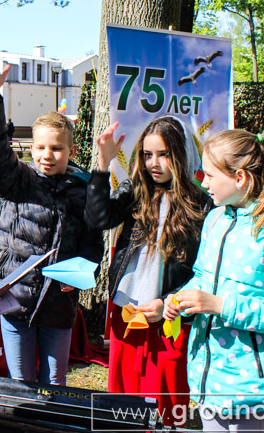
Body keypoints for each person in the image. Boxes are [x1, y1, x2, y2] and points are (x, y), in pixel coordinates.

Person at [164, 130, 264, 433]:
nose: (202, 183)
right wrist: (179, 297)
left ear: (241, 178)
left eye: (209, 175)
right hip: (208, 373)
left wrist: (221, 305)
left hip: (252, 384)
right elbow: (203, 275)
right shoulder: (215, 220)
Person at [0, 47, 103, 386]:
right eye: (42, 147)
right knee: (21, 381)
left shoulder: (83, 190)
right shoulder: (20, 182)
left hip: (58, 307)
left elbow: (93, 246)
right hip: (15, 302)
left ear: (72, 151)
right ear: (31, 148)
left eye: (57, 148)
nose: (48, 155)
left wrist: (78, 277)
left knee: (55, 382)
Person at [86, 116, 210, 427]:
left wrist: (171, 302)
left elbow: (206, 271)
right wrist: (103, 163)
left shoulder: (201, 204)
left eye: (164, 154)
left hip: (169, 316)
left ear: (180, 154)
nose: (154, 163)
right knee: (123, 402)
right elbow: (98, 217)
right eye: (147, 154)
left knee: (166, 402)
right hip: (127, 310)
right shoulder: (136, 190)